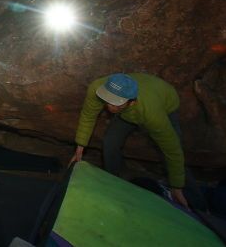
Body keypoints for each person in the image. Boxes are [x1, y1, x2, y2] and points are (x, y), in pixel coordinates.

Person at [69, 72, 199, 209]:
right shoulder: (97, 89)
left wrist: (176, 186)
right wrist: (79, 148)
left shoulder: (152, 114)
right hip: (129, 108)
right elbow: (88, 115)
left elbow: (172, 150)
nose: (109, 107)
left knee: (171, 151)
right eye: (107, 99)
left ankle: (196, 202)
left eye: (115, 103)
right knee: (110, 142)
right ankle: (112, 182)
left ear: (132, 102)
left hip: (165, 102)